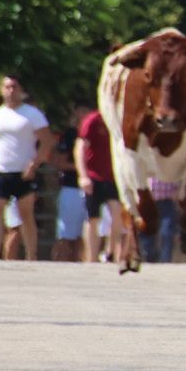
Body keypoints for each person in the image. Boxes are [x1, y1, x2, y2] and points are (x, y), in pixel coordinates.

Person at [0, 72, 51, 261]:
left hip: (23, 170)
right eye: (7, 87)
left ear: (21, 91)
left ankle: (31, 256)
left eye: (14, 87)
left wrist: (34, 164)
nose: (10, 91)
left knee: (25, 214)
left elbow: (47, 142)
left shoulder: (32, 114)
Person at [75, 108, 118, 263]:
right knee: (92, 219)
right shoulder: (93, 120)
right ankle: (91, 258)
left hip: (113, 177)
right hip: (94, 177)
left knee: (117, 215)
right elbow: (80, 147)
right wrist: (83, 175)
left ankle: (110, 252)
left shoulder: (118, 118)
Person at [52, 104, 92, 262]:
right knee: (66, 234)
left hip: (93, 189)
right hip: (71, 187)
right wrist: (84, 167)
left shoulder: (98, 133)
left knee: (87, 235)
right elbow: (59, 162)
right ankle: (60, 264)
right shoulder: (69, 135)